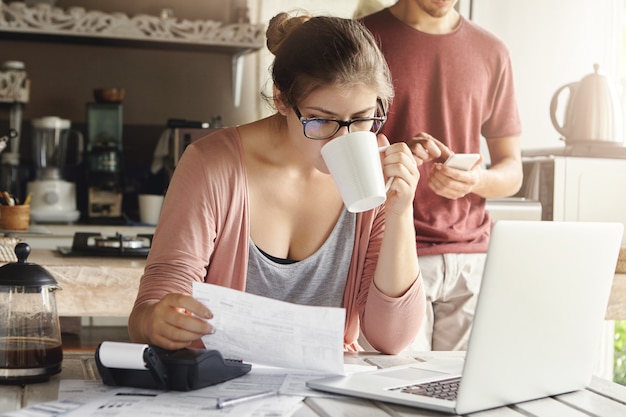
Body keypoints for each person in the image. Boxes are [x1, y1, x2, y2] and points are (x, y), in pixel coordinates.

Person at [128, 12, 426, 354]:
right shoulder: (212, 165)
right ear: (282, 99)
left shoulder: (375, 166)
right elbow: (148, 313)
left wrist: (401, 214)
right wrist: (156, 322)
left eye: (361, 119)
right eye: (321, 120)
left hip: (324, 394)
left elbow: (392, 339)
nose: (342, 138)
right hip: (222, 392)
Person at [361, 0, 523, 351]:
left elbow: (513, 171)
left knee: (467, 398)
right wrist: (393, 158)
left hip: (474, 262)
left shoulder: (493, 52)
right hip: (390, 252)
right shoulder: (362, 40)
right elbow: (335, 152)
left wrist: (475, 181)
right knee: (394, 397)